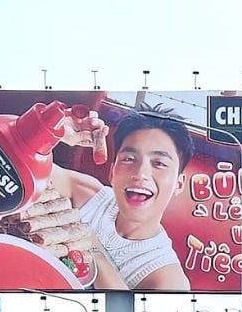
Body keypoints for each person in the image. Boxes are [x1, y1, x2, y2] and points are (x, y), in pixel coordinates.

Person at [47, 114, 194, 292]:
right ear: (112, 173)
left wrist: (93, 248)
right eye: (129, 159)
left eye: (159, 163)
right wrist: (51, 133)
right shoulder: (87, 196)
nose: (141, 173)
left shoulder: (168, 280)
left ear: (178, 184)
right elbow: (14, 167)